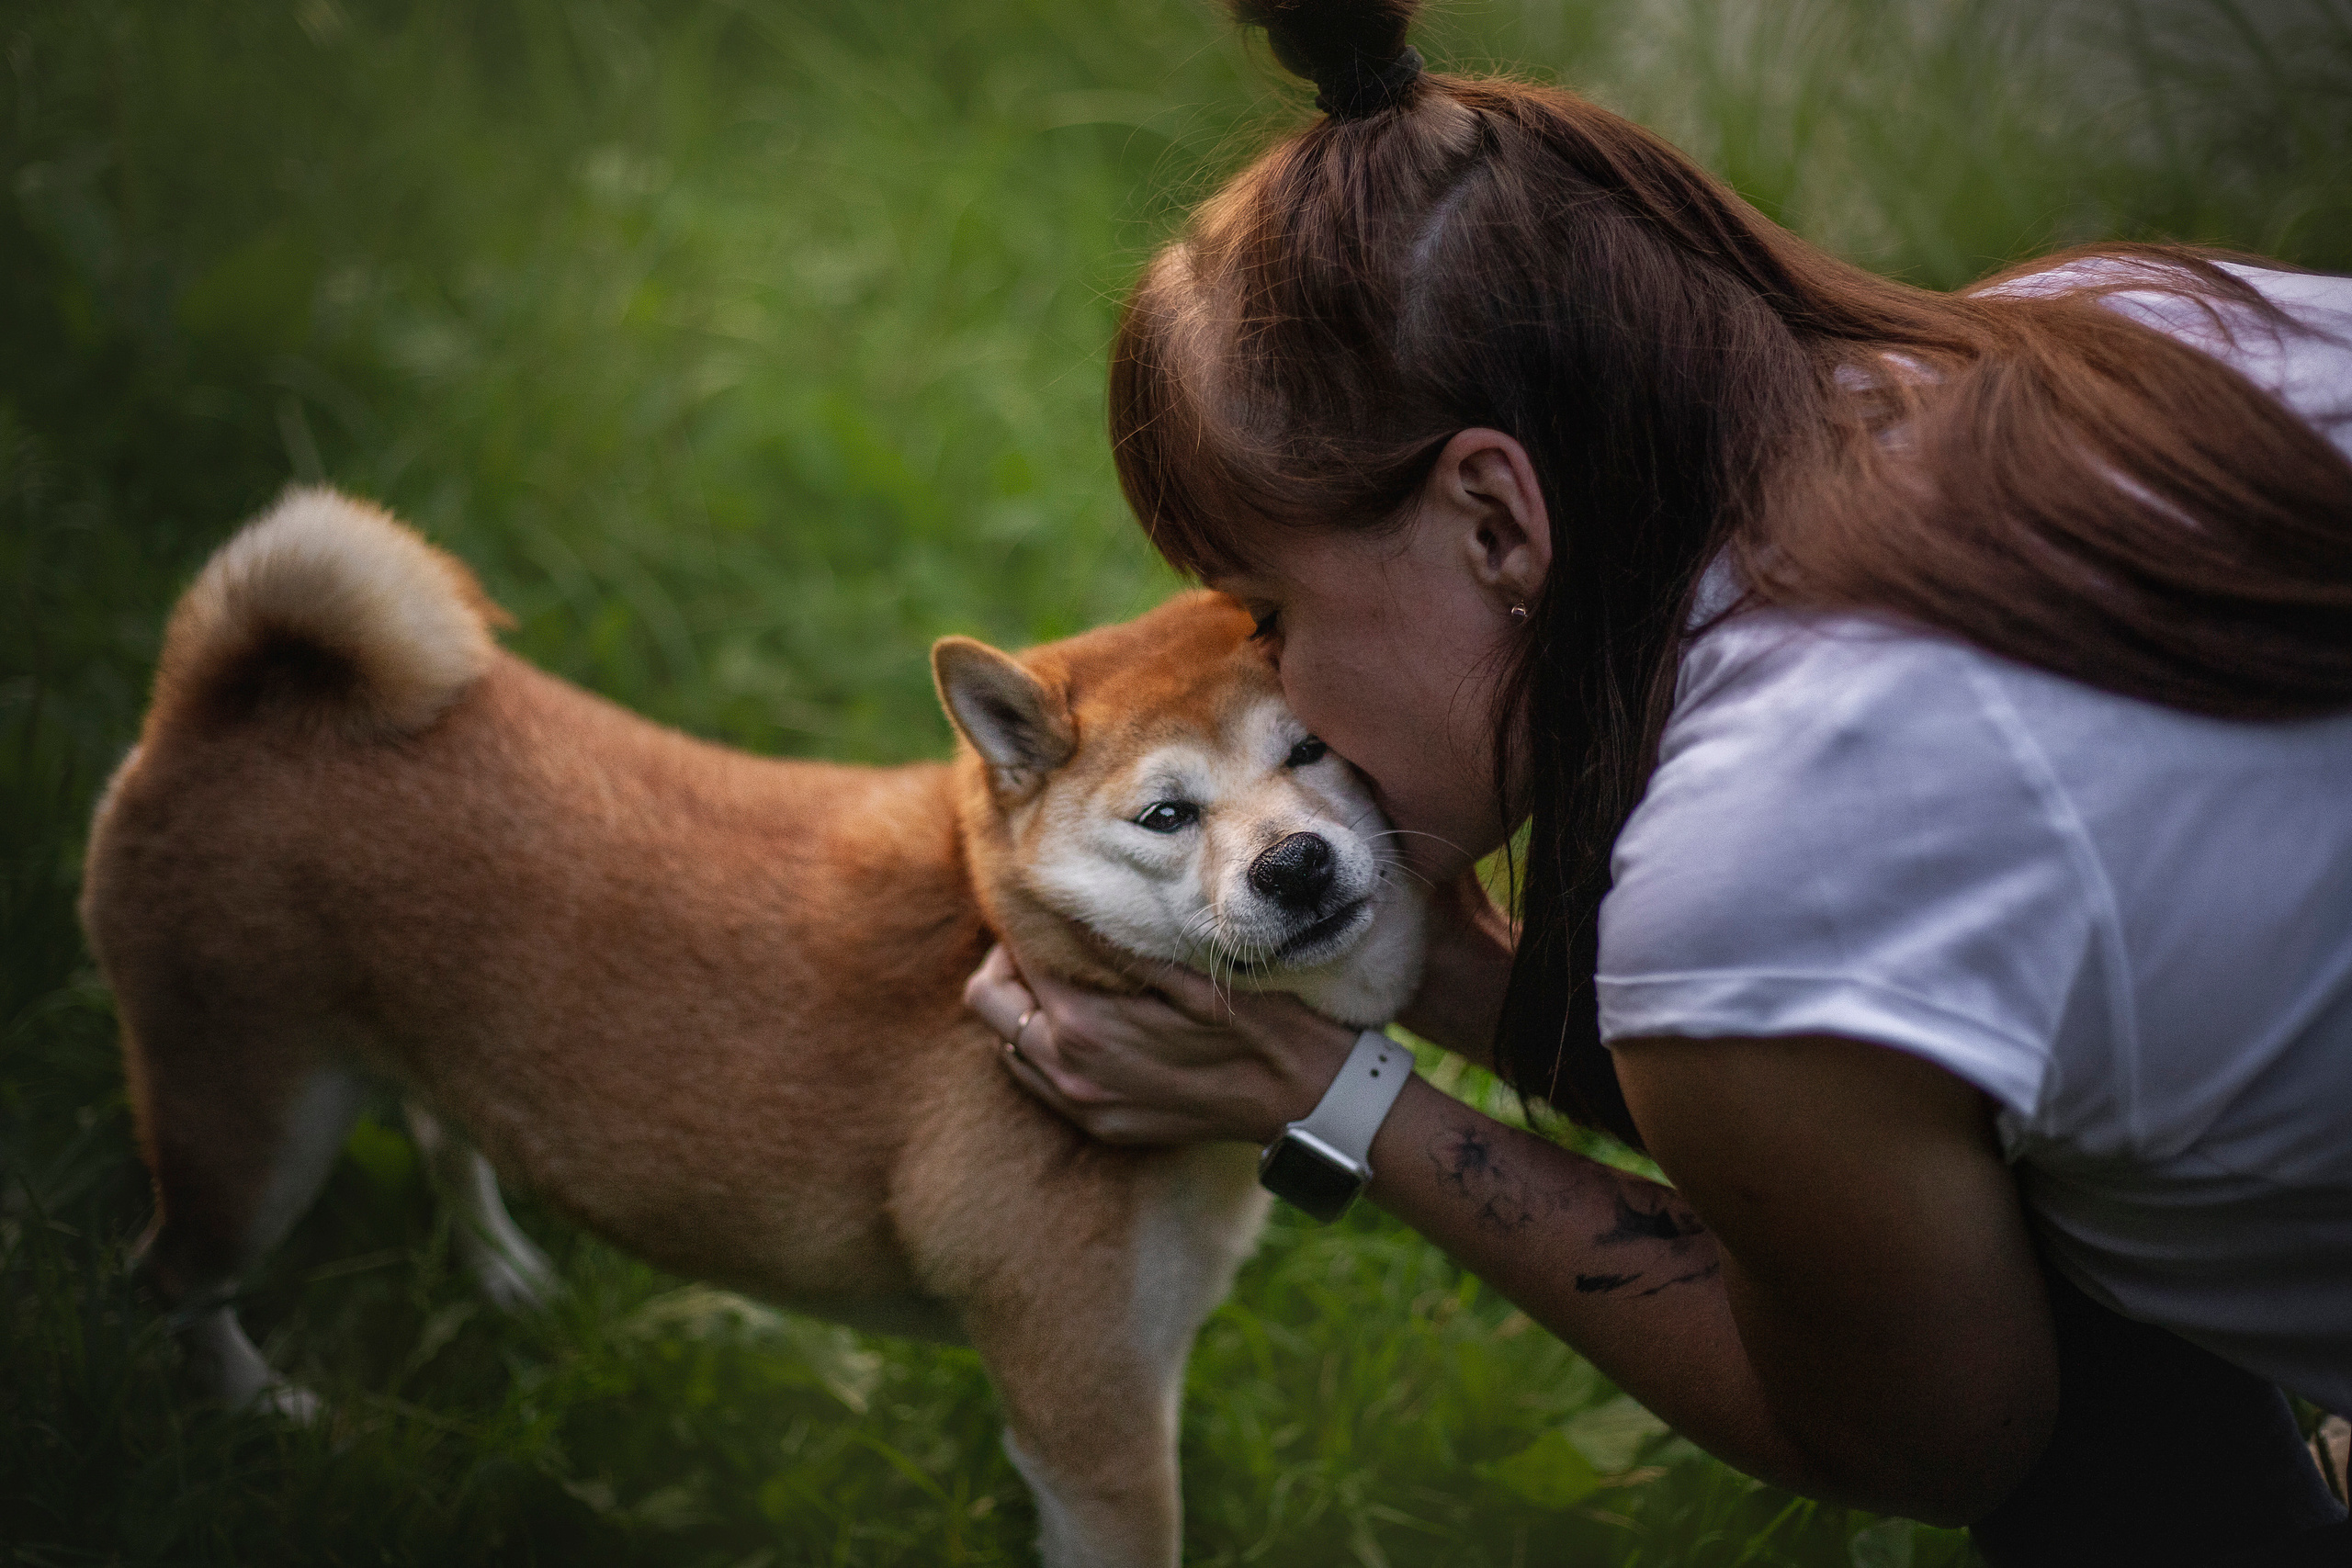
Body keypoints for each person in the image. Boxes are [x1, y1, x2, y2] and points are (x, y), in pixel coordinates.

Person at [961, 2, 2352, 1562]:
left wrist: (1329, 1092)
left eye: (1273, 620)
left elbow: (1929, 1432)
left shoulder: (1770, 846)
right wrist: (1461, 980)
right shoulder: (2122, 320)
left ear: (1497, 520)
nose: (1282, 687)